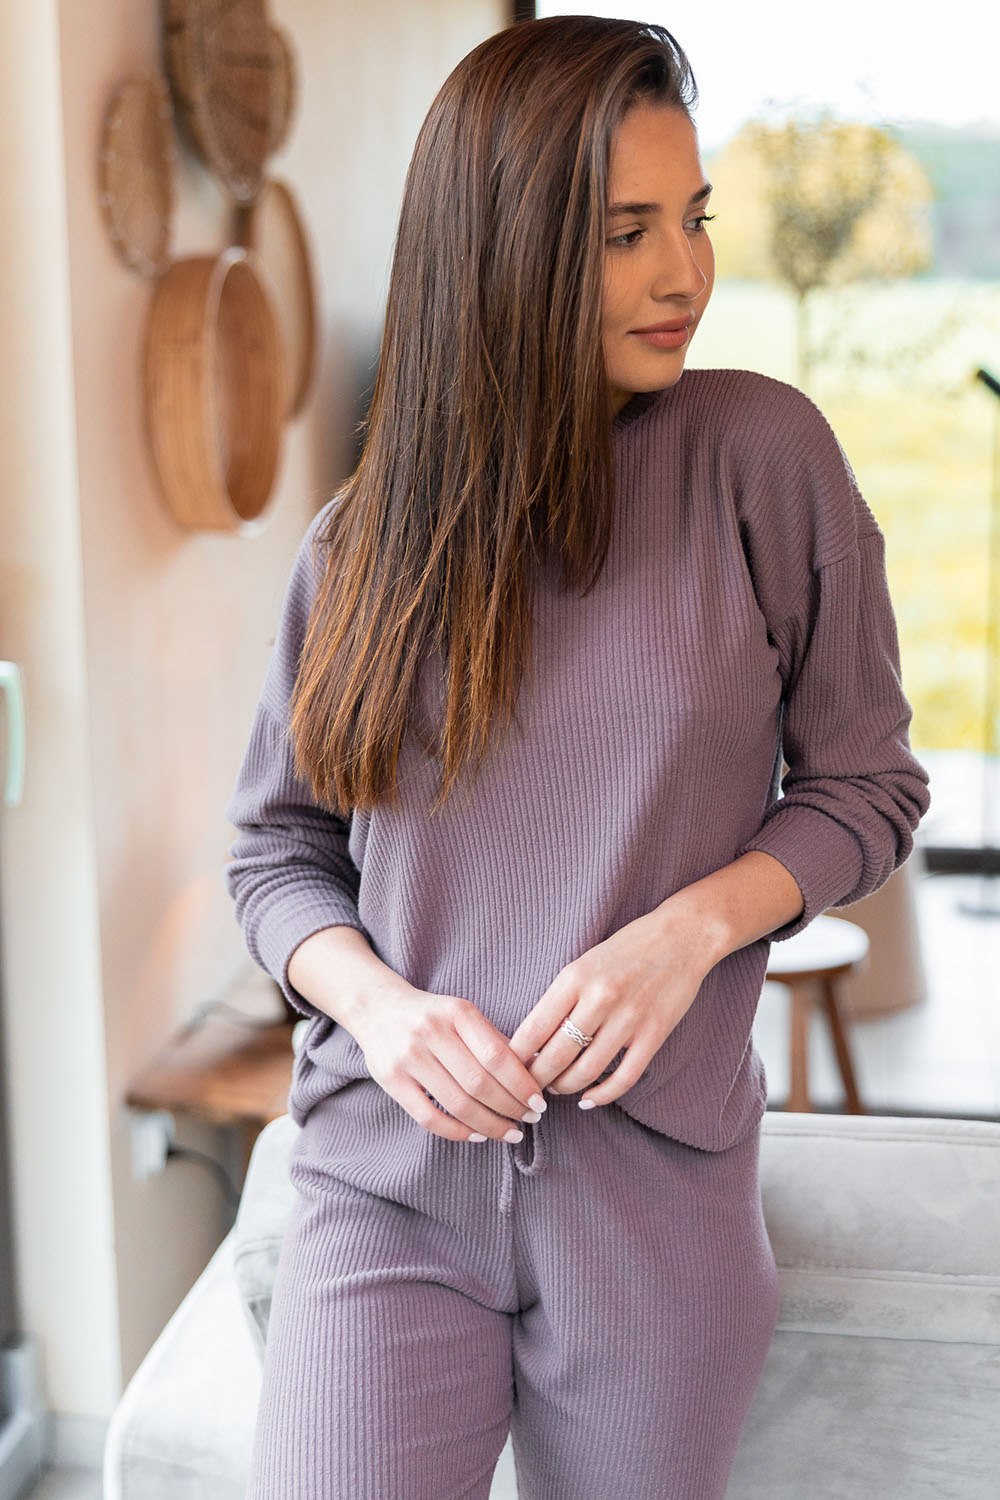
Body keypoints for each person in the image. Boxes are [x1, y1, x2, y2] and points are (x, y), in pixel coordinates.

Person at [223, 15, 931, 1500]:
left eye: (694, 219)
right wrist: (384, 1010)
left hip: (655, 1201)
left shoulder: (762, 460)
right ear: (501, 251)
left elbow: (868, 786)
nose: (684, 275)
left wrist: (691, 932)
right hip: (384, 1185)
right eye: (624, 235)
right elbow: (279, 850)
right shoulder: (359, 545)